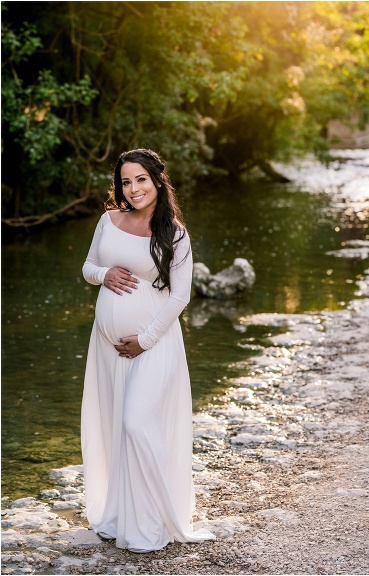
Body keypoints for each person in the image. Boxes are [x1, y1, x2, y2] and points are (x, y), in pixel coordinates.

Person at [81, 148, 215, 553]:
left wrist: (145, 340)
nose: (134, 188)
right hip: (108, 349)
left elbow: (180, 298)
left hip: (154, 344)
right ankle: (122, 516)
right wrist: (105, 274)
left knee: (136, 424)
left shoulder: (174, 234)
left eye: (141, 179)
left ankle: (154, 519)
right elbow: (88, 267)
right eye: (126, 181)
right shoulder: (109, 221)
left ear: (157, 180)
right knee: (115, 428)